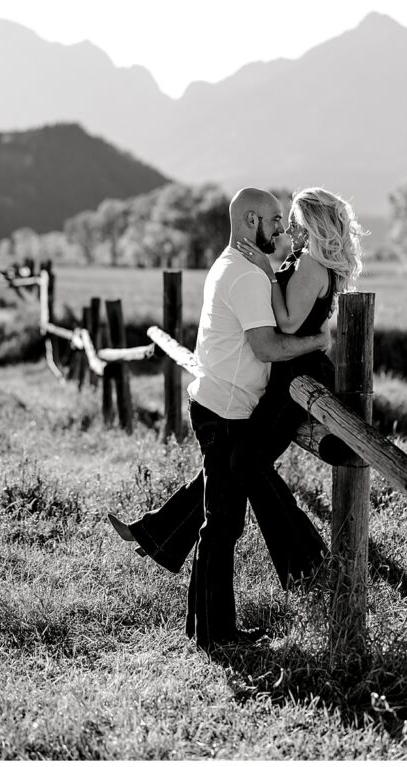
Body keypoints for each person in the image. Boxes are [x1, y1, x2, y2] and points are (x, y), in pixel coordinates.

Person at [109, 188, 365, 592]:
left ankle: (310, 563)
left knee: (243, 461)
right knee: (232, 466)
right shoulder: (307, 262)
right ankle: (158, 535)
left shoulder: (312, 265)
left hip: (296, 376)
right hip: (287, 371)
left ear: (311, 224)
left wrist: (265, 272)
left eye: (293, 220)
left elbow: (289, 325)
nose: (287, 228)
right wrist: (270, 271)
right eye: (282, 220)